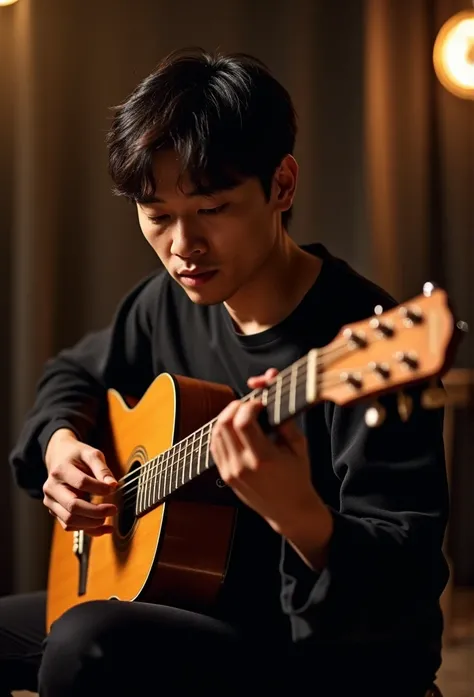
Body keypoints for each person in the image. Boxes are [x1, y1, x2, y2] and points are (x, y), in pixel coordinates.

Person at [1, 48, 448, 697]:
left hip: (306, 651)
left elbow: (403, 600)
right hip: (182, 602)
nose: (183, 247)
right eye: (157, 215)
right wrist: (61, 445)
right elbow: (71, 374)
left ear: (283, 186)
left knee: (85, 644)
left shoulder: (366, 345)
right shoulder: (162, 305)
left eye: (212, 210)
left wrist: (302, 516)